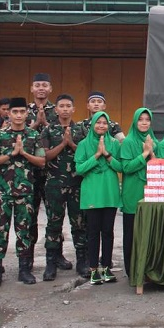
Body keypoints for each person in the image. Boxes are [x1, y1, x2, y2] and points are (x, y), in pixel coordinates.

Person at [0, 97, 46, 286]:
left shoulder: (33, 135)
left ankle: (24, 269)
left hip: (25, 192)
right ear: (8, 114)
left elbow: (42, 161)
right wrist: (11, 153)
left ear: (27, 114)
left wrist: (24, 153)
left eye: (22, 112)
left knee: (24, 232)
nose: (18, 115)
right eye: (15, 112)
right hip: (3, 192)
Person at [39, 94, 89, 281]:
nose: (65, 109)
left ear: (74, 109)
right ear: (56, 109)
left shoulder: (81, 130)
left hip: (77, 184)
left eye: (69, 106)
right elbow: (45, 157)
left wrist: (72, 144)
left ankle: (82, 262)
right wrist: (63, 144)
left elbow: (86, 155)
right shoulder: (49, 131)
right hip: (54, 185)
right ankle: (51, 263)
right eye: (62, 106)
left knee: (79, 224)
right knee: (54, 225)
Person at [75, 111, 122, 286]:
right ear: (93, 124)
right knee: (93, 233)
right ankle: (94, 269)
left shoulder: (115, 143)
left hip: (110, 192)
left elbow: (120, 166)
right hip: (92, 193)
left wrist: (108, 155)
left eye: (105, 123)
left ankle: (106, 267)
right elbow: (80, 169)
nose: (102, 126)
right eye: (98, 122)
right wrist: (96, 155)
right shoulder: (83, 144)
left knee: (108, 232)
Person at [119, 107, 157, 278]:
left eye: (147, 120)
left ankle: (147, 271)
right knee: (131, 234)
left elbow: (158, 166)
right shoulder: (128, 142)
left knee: (148, 234)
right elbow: (126, 168)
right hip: (133, 192)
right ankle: (132, 271)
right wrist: (145, 154)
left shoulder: (153, 140)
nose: (144, 123)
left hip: (150, 191)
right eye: (140, 119)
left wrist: (152, 151)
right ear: (135, 121)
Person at [27, 73, 56, 271]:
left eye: (45, 85)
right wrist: (36, 124)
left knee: (55, 216)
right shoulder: (23, 111)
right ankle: (27, 259)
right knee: (29, 217)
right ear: (32, 88)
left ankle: (56, 256)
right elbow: (16, 133)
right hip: (28, 175)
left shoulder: (57, 110)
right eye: (37, 85)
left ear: (50, 89)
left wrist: (45, 124)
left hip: (53, 172)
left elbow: (62, 135)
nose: (41, 88)